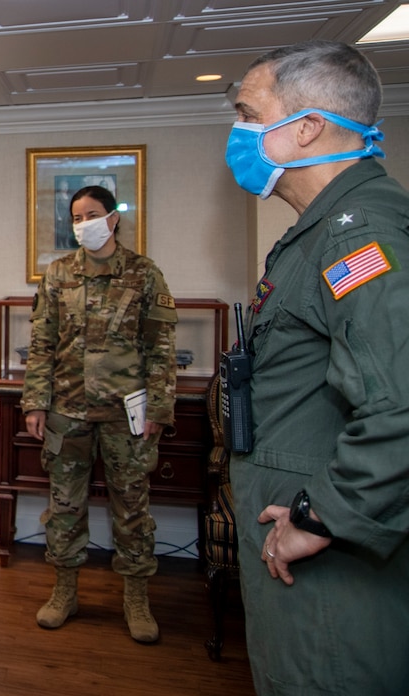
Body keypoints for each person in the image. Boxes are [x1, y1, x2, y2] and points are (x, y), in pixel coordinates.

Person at [225, 40, 409, 695]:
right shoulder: (323, 229)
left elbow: (402, 403)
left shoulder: (357, 237)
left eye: (249, 115)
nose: (238, 134)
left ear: (305, 128)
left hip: (326, 560)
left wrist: (319, 515)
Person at [21, 184, 177, 644]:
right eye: (75, 216)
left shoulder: (144, 274)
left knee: (131, 510)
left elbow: (162, 351)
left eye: (91, 214)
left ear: (112, 219)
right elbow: (42, 344)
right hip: (67, 412)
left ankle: (136, 599)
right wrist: (35, 402)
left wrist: (161, 410)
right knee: (65, 508)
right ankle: (65, 592)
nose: (82, 223)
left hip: (126, 415)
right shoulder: (57, 275)